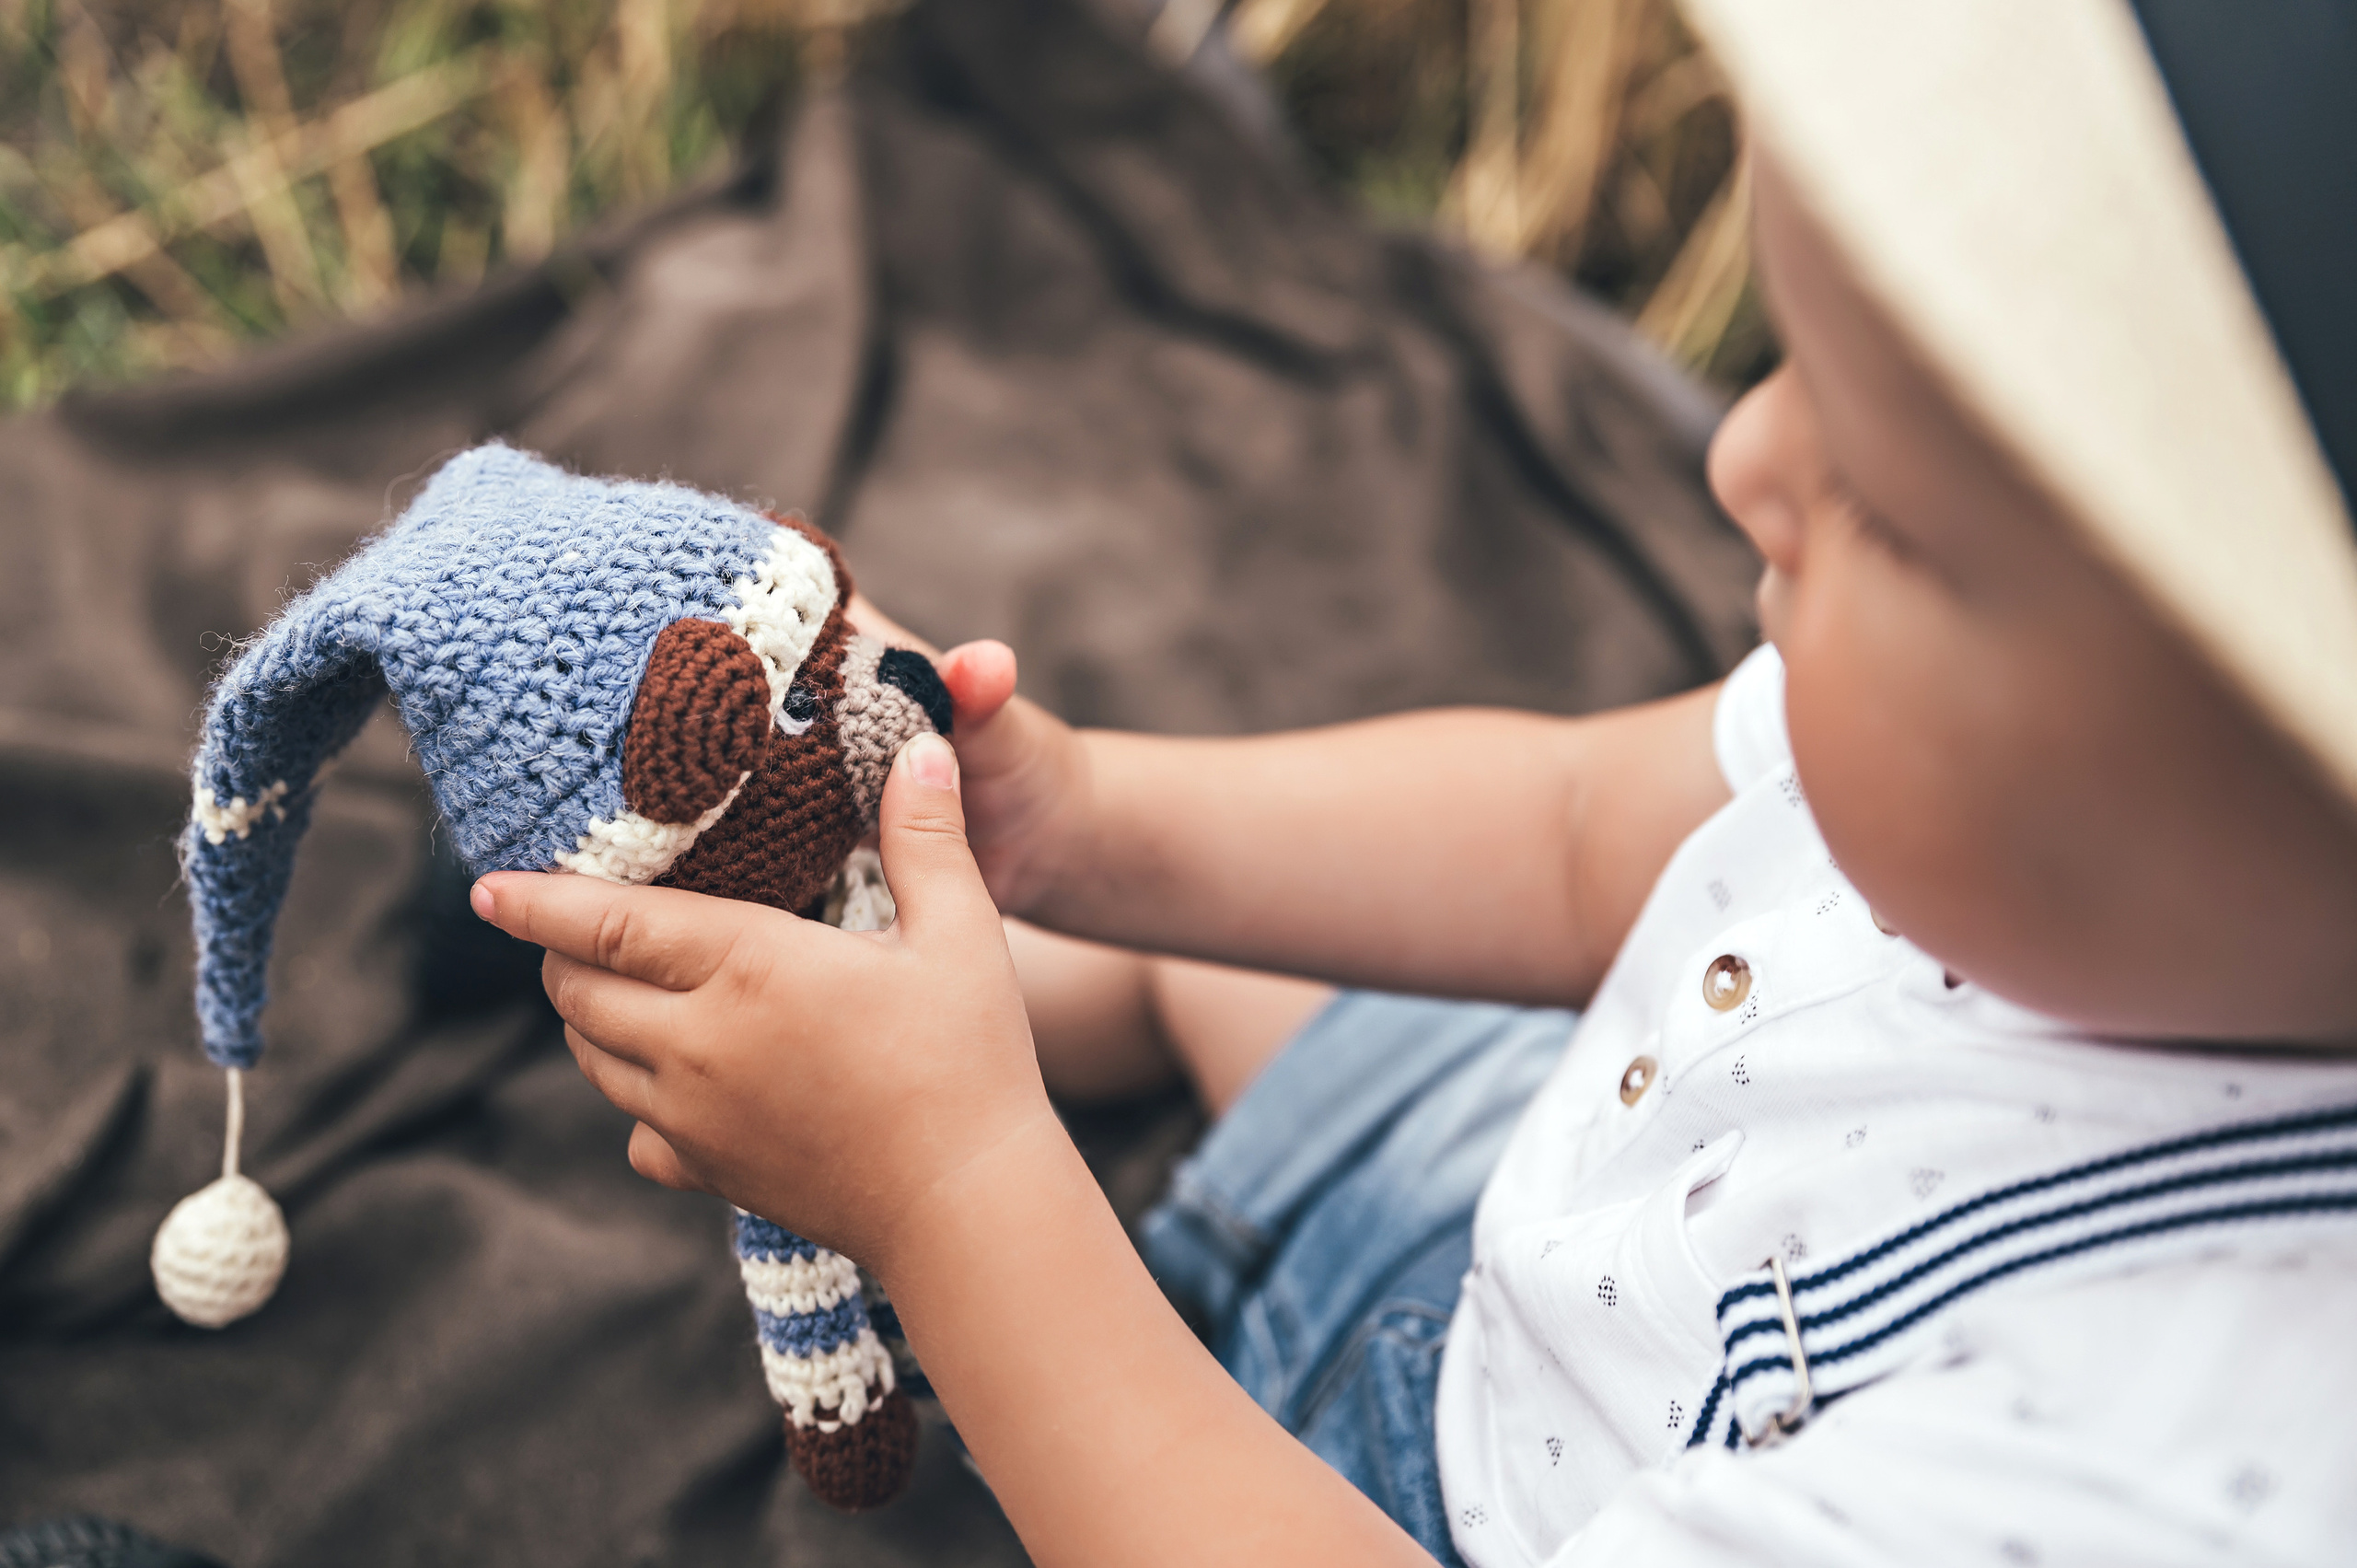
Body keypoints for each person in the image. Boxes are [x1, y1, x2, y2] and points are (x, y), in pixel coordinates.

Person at [470, 1, 2357, 1562]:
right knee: (1218, 939)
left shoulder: (2151, 1473)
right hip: (1545, 1181)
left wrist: (947, 1184)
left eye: (1886, 507)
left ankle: (916, 1074)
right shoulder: (2113, 851)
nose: (1738, 465)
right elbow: (1568, 833)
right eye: (1788, 373)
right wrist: (1091, 822)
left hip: (1383, 1515)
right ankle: (981, 964)